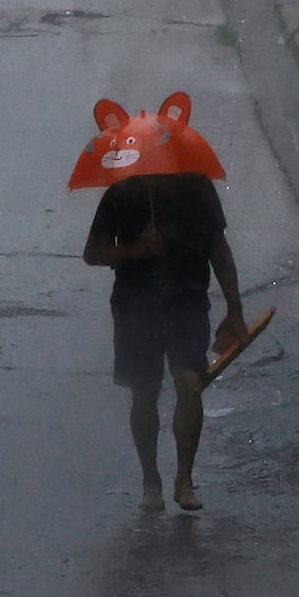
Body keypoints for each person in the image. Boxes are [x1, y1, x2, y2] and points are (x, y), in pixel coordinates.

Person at [83, 170, 246, 511]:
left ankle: (184, 479)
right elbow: (93, 252)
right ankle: (150, 480)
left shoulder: (198, 188)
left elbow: (219, 248)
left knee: (190, 385)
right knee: (144, 393)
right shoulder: (122, 192)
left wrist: (234, 307)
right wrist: (136, 249)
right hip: (135, 305)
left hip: (186, 300)